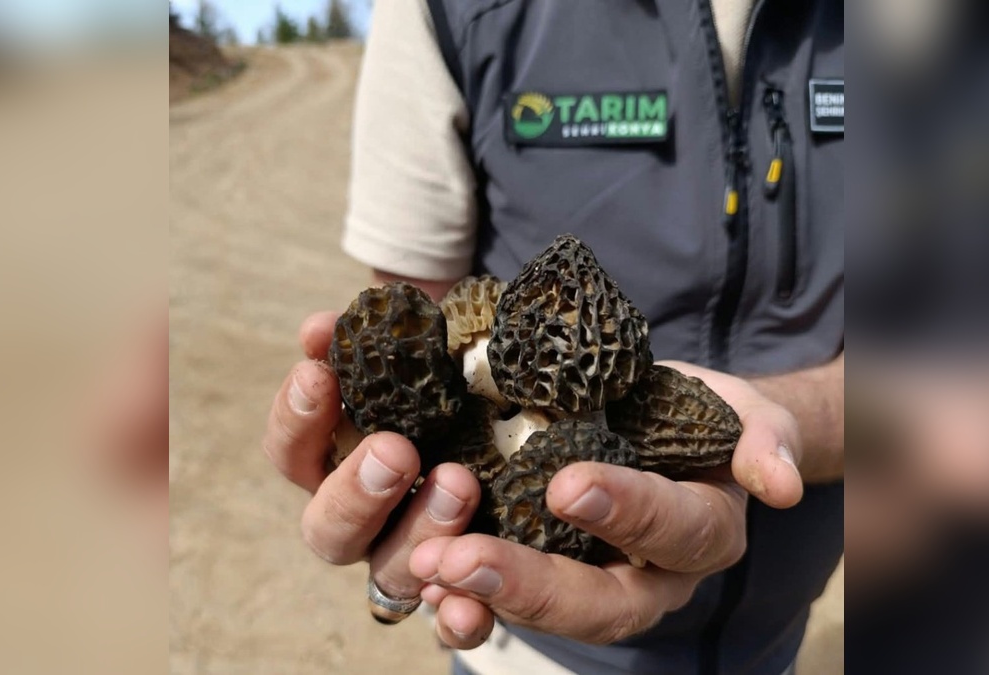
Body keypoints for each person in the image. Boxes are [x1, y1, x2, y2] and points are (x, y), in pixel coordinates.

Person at [263, 0, 844, 673]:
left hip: (773, 641)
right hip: (526, 652)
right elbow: (424, 326)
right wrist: (408, 518)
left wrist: (792, 419)